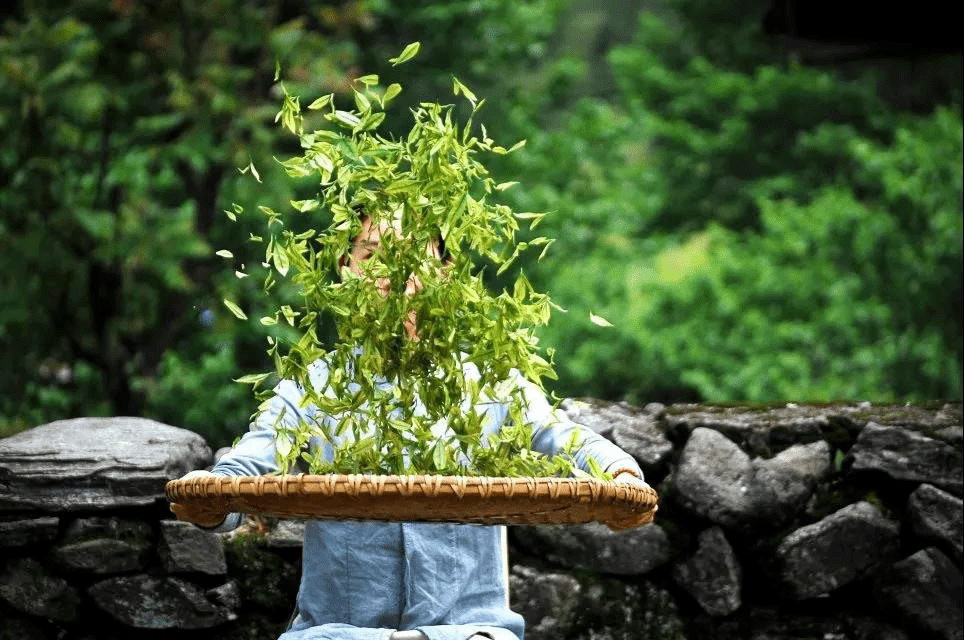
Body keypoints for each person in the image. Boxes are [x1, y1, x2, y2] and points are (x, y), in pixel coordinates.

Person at [171, 214, 652, 640]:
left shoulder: (492, 380)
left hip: (467, 635)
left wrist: (620, 474)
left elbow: (563, 437)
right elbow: (252, 462)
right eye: (375, 255)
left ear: (442, 274)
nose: (392, 275)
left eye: (411, 258)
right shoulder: (312, 385)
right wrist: (209, 495)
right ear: (347, 269)